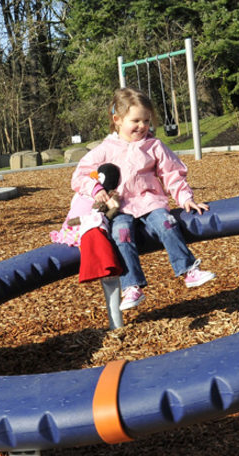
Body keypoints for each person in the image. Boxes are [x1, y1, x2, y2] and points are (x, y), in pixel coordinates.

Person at [71, 87, 214, 310]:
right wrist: (95, 187)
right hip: (120, 207)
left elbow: (172, 173)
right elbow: (80, 174)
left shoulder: (153, 145)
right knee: (121, 234)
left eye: (146, 121)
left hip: (149, 201)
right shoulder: (105, 149)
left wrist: (185, 197)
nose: (142, 126)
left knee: (167, 223)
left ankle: (188, 270)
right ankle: (132, 286)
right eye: (135, 120)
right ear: (117, 120)